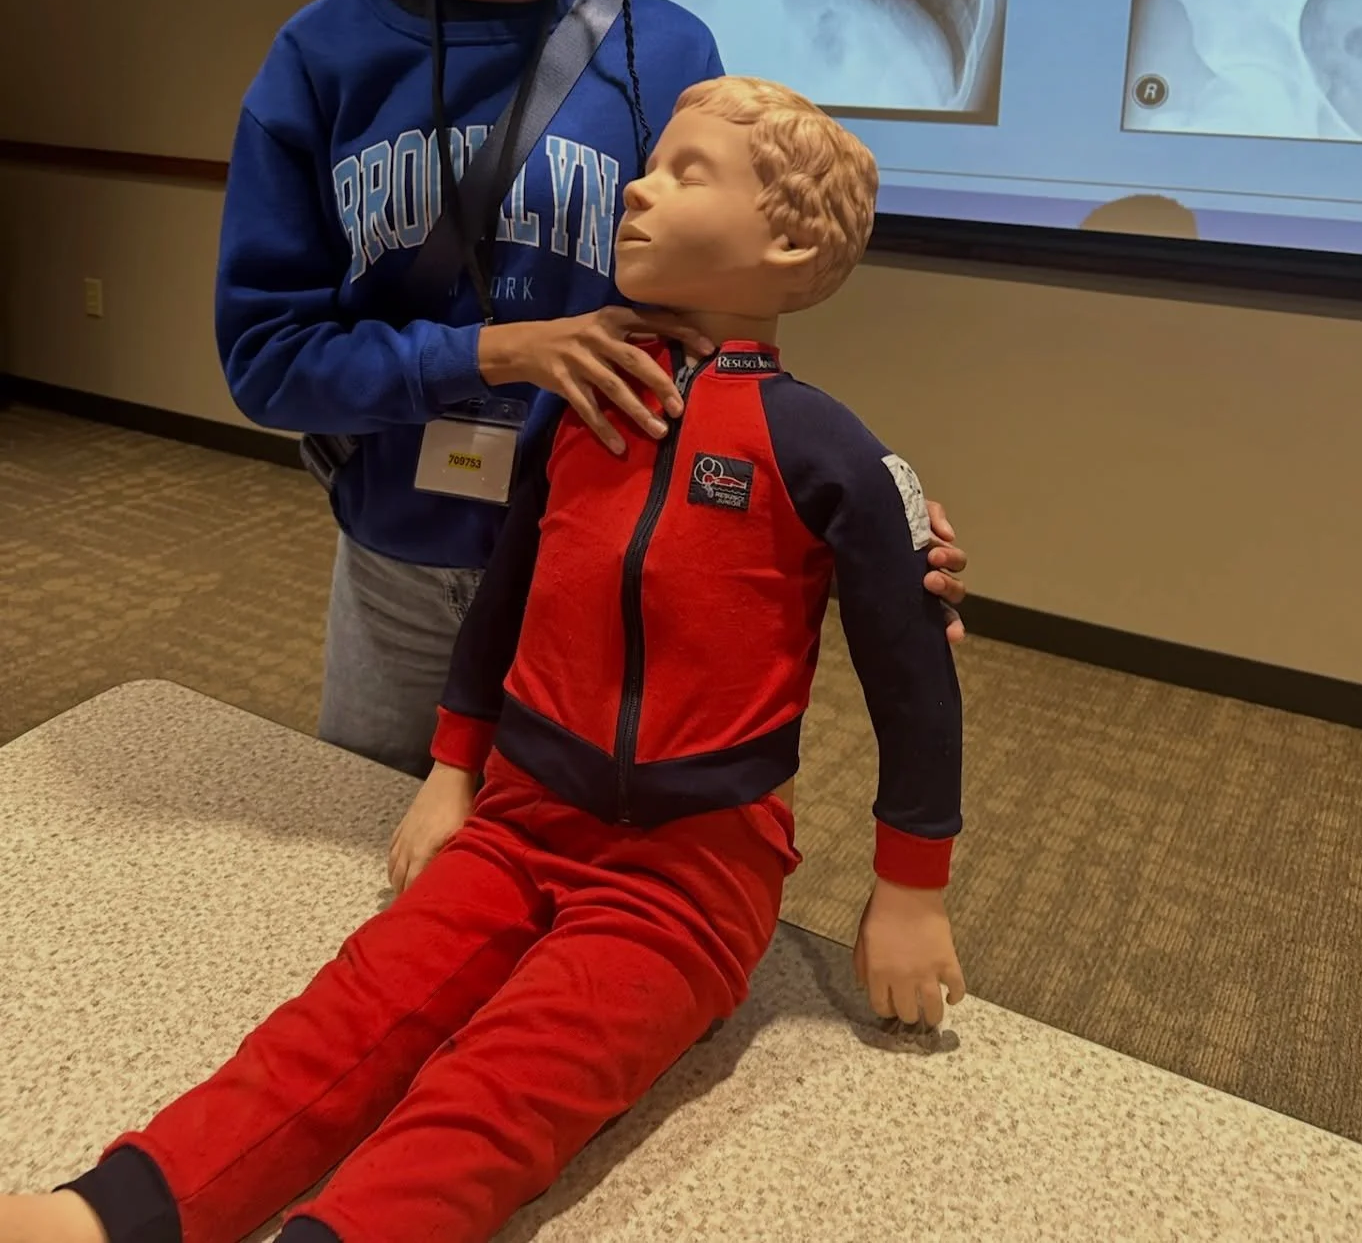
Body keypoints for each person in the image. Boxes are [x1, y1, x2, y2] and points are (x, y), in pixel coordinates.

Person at [5, 77, 965, 1243]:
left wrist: (911, 886)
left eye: (686, 173)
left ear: (790, 235)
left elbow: (912, 671)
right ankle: (116, 1209)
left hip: (685, 880)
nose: (640, 191)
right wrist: (454, 766)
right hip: (518, 817)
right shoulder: (591, 401)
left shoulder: (829, 450)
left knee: (497, 1096)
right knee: (356, 1009)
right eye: (648, 165)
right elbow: (508, 592)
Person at [213, 0, 969, 782]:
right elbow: (269, 364)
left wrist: (870, 512)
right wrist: (503, 350)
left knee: (568, 871)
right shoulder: (321, 60)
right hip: (396, 565)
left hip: (608, 557)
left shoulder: (662, 59)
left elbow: (730, 339)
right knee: (369, 855)